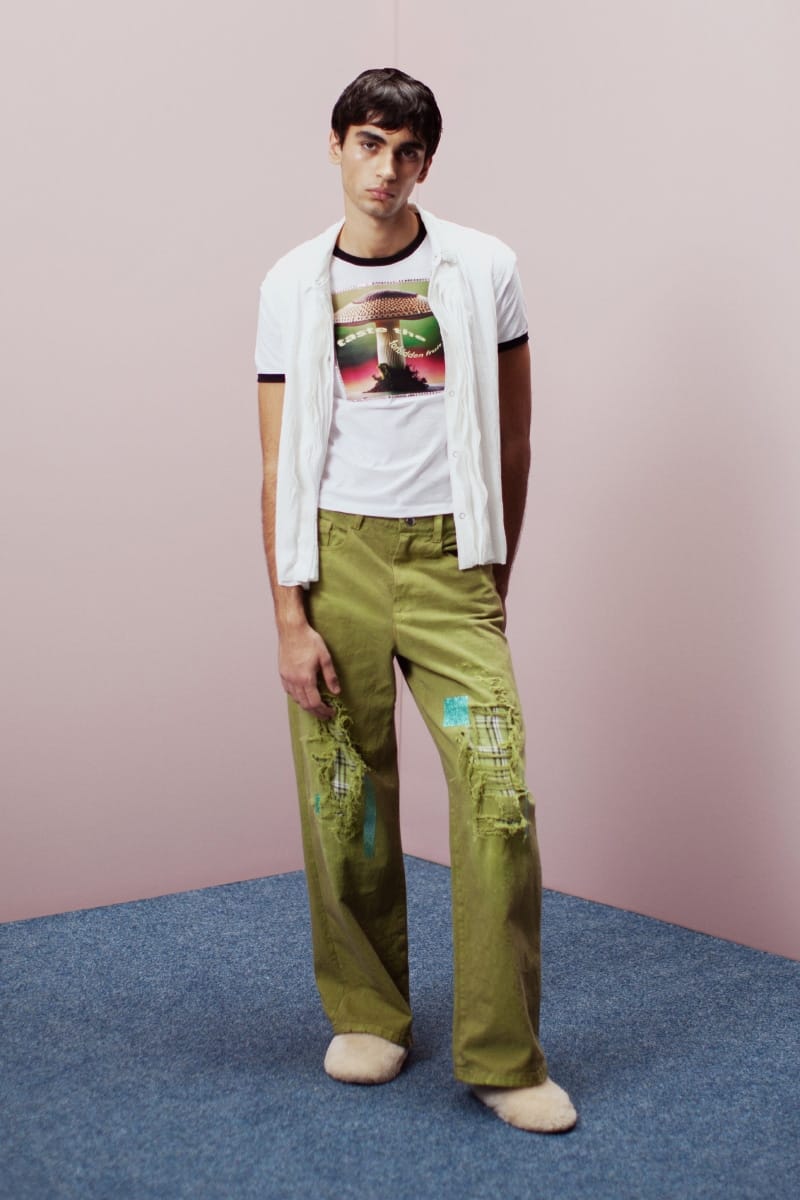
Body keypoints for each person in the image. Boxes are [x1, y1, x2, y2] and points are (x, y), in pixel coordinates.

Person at [255, 67, 577, 1134]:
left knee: (497, 795)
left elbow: (515, 438)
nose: (384, 169)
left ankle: (503, 1055)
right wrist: (289, 617)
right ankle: (367, 1012)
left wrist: (492, 576)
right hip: (335, 560)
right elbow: (276, 464)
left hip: (450, 562)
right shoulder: (290, 283)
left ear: (425, 162)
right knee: (344, 793)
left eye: (405, 151)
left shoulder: (483, 267)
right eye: (366, 144)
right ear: (336, 147)